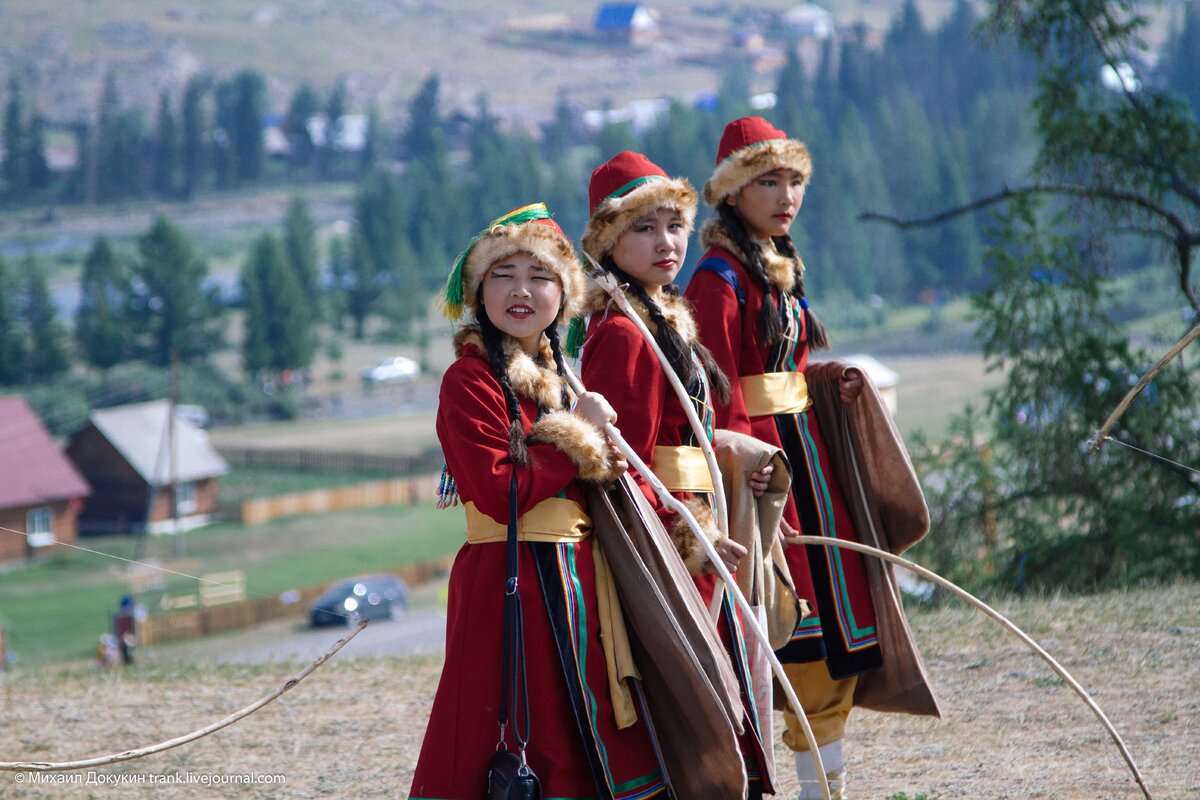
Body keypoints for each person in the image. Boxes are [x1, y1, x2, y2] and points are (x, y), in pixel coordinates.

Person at [684, 116, 931, 798]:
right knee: (793, 626)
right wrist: (751, 470)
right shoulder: (718, 277)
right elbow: (718, 383)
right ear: (733, 193)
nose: (785, 194)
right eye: (768, 181)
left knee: (834, 629)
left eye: (794, 180)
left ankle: (826, 783)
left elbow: (788, 366)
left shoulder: (777, 267)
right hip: (769, 465)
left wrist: (828, 381)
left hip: (810, 454)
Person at [409, 203, 667, 800]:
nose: (521, 291)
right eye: (503, 275)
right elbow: (502, 492)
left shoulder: (562, 378)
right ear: (478, 291)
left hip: (577, 578)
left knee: (579, 734)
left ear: (564, 294)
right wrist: (577, 438)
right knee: (516, 738)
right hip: (510, 585)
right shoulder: (469, 381)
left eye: (540, 275)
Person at [570, 151, 774, 796]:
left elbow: (676, 430)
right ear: (608, 241)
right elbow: (621, 463)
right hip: (669, 540)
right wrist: (685, 535)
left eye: (676, 226)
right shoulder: (626, 335)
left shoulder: (659, 315)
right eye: (644, 229)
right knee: (694, 702)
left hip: (696, 518)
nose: (667, 243)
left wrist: (737, 453)